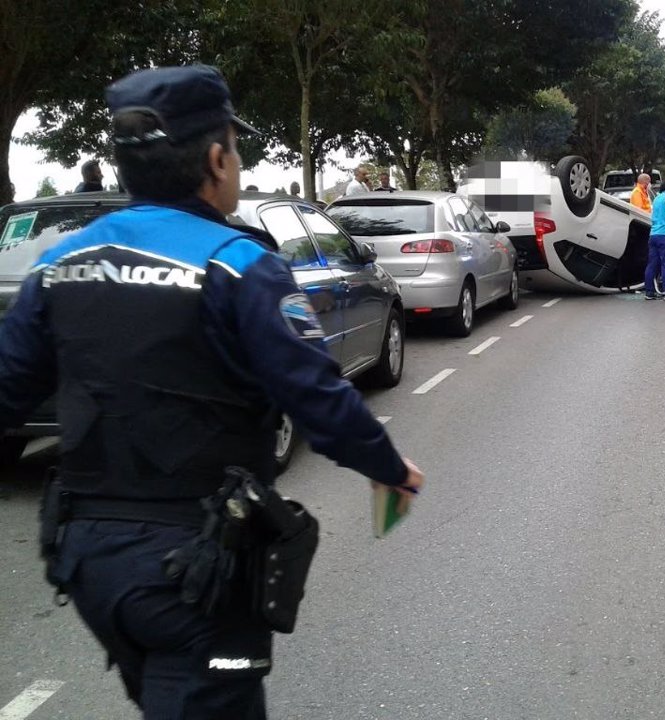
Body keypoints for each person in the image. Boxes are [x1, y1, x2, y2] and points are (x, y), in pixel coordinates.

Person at [0, 65, 424, 716]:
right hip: (195, 566)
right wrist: (389, 469)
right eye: (236, 146)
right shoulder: (240, 263)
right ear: (217, 158)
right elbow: (318, 394)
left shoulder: (59, 264)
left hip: (86, 560)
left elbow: (7, 389)